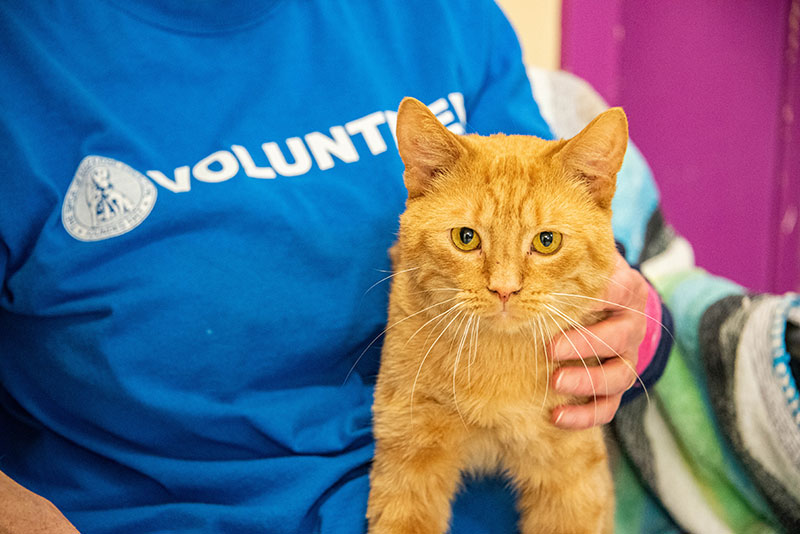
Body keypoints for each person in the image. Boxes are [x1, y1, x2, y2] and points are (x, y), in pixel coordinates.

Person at [0, 1, 672, 532]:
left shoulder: (444, 15)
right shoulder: (25, 55)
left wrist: (633, 328)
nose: (501, 278)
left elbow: (567, 210)